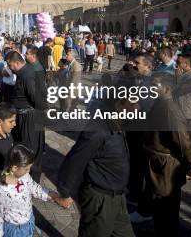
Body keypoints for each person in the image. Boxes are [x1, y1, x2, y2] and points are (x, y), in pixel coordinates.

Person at [57, 91, 136, 237]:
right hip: (100, 200)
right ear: (118, 106)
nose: (136, 108)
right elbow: (75, 160)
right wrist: (65, 192)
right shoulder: (97, 130)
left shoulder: (119, 123)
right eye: (131, 104)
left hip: (118, 197)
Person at [130, 73, 191, 235]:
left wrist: (187, 166)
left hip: (167, 165)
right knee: (157, 202)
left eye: (154, 86)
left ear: (167, 88)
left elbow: (184, 142)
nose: (150, 89)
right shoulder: (160, 103)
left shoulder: (171, 109)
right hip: (155, 160)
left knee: (166, 209)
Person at [0, 144, 68, 237]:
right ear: (15, 167)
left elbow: (35, 188)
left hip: (29, 221)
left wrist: (53, 196)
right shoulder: (0, 189)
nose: (28, 172)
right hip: (14, 230)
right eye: (26, 169)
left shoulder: (24, 176)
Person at [6, 51, 45, 182]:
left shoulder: (27, 75)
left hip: (29, 118)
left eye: (10, 65)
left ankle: (31, 180)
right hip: (26, 115)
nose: (10, 68)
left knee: (30, 149)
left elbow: (37, 99)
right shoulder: (24, 72)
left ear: (17, 63)